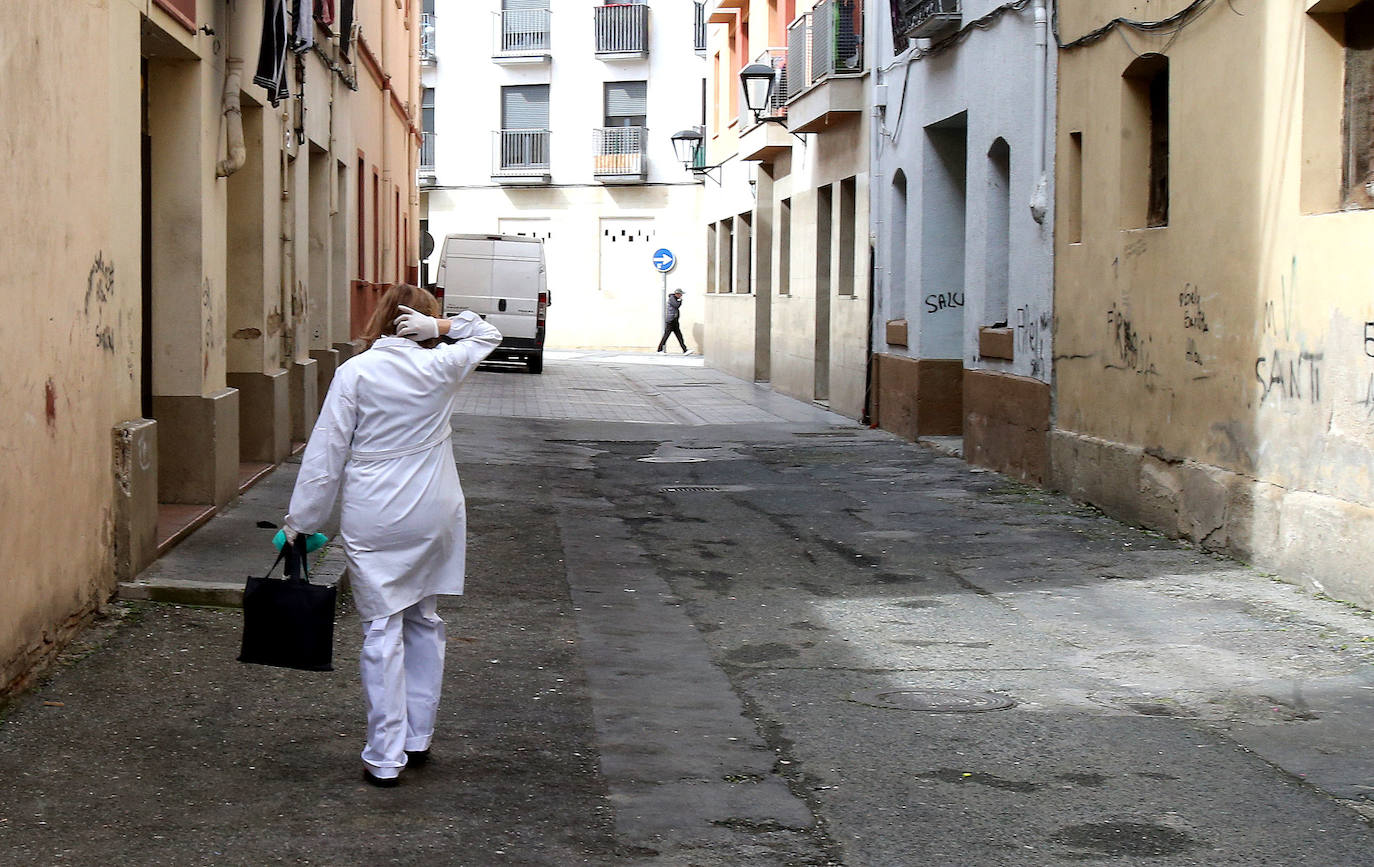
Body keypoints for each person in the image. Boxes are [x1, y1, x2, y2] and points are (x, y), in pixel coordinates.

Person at [280, 283, 501, 787]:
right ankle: (417, 738)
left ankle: (384, 755)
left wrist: (302, 523)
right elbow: (488, 332)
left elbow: (326, 454)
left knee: (382, 627)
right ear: (420, 323)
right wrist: (444, 328)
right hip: (435, 508)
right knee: (424, 616)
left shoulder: (355, 372)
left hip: (376, 511)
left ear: (379, 320)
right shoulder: (442, 367)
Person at [657, 288, 688, 354]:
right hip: (671, 320)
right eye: (680, 294)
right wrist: (680, 301)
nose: (681, 296)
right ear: (677, 294)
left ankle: (685, 350)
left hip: (674, 320)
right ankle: (659, 349)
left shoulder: (674, 299)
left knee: (679, 335)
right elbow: (676, 305)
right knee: (666, 335)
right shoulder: (672, 298)